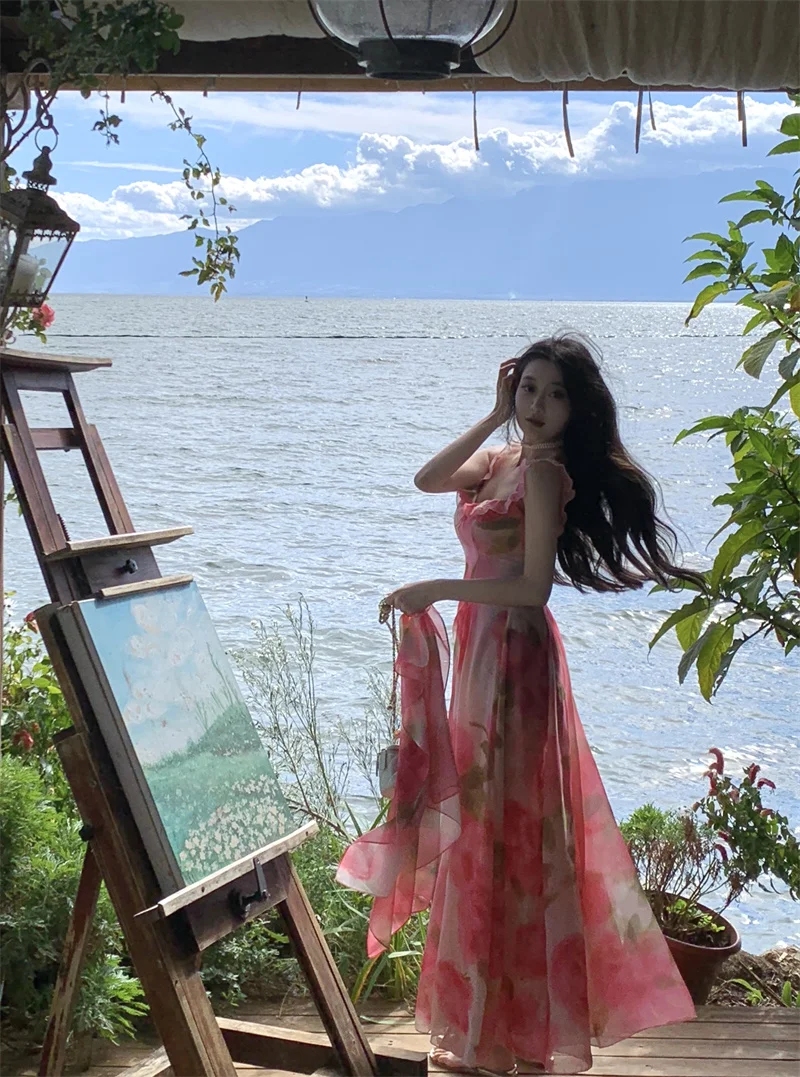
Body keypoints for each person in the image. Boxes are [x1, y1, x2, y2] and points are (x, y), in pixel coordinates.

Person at [337, 335, 698, 1075]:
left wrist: (435, 588)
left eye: (554, 394)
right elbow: (427, 478)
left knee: (508, 824)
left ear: (577, 408)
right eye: (528, 389)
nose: (538, 406)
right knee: (482, 824)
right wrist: (492, 412)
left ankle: (507, 1031)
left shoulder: (543, 473)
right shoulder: (502, 458)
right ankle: (484, 1028)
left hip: (515, 654)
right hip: (482, 646)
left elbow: (533, 589)